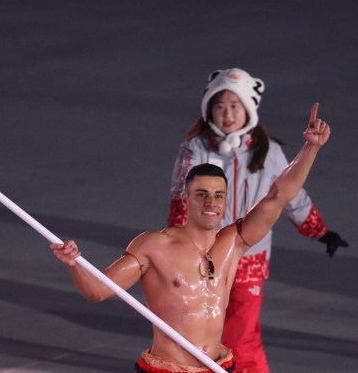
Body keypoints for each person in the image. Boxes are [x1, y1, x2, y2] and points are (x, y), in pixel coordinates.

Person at [51, 103, 330, 373]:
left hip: (219, 366)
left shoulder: (233, 242)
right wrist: (75, 263)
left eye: (218, 195)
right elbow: (97, 291)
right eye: (201, 194)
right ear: (186, 199)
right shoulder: (154, 246)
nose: (211, 202)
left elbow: (278, 196)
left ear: (225, 201)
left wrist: (311, 148)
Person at [167, 68, 348, 372]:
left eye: (235, 106)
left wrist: (320, 231)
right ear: (209, 109)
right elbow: (180, 200)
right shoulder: (194, 149)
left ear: (249, 109)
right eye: (220, 106)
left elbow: (290, 196)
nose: (227, 114)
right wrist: (178, 249)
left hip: (249, 258)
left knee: (242, 337)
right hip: (204, 259)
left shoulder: (270, 153)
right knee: (198, 334)